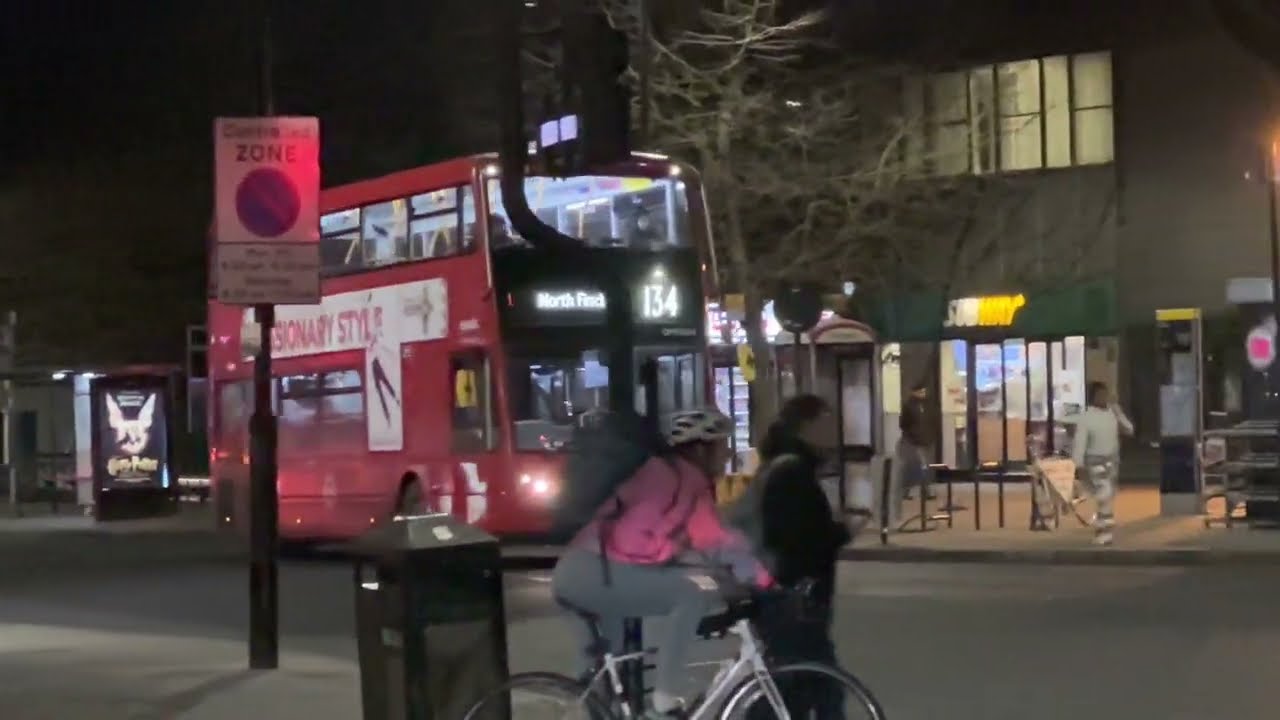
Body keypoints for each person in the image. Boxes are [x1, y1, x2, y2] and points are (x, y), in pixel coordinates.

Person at [551, 407, 767, 718]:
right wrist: (765, 578)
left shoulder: (666, 473)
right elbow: (715, 539)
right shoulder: (679, 480)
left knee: (604, 685)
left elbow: (665, 543)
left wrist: (715, 571)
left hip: (582, 571)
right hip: (594, 572)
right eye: (722, 445)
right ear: (700, 449)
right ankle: (664, 699)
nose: (728, 453)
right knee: (689, 595)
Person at [727, 394, 850, 717]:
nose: (834, 432)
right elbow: (797, 541)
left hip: (785, 594)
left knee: (794, 690)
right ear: (806, 428)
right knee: (812, 690)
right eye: (826, 423)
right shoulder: (792, 473)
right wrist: (842, 532)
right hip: (793, 597)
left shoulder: (782, 466)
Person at [1071, 381, 1134, 546]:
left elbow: (1129, 429)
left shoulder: (1112, 413)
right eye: (1100, 395)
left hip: (1112, 460)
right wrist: (1078, 464)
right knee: (1104, 495)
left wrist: (1118, 412)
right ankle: (1104, 532)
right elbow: (1080, 441)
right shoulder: (1086, 417)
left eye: (1105, 394)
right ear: (1093, 397)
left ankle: (1103, 529)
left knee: (1107, 496)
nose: (1104, 398)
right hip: (1095, 461)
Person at [899, 383, 934, 501]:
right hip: (913, 441)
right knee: (919, 466)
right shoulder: (908, 406)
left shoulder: (926, 405)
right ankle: (924, 491)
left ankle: (919, 490)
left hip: (925, 440)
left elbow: (930, 421)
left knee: (923, 466)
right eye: (920, 392)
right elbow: (903, 424)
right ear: (914, 392)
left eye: (924, 392)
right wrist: (911, 435)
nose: (923, 394)